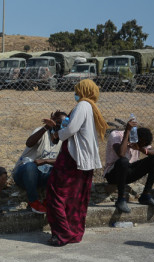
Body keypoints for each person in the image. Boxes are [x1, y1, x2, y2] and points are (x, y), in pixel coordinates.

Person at [44, 79, 108, 246]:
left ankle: (62, 234)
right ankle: (73, 232)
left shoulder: (83, 106)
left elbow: (72, 129)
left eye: (78, 90)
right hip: (83, 159)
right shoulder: (91, 107)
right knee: (75, 198)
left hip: (73, 158)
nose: (76, 93)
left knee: (56, 194)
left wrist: (57, 133)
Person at [12, 110, 68, 214]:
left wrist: (45, 161)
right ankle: (33, 202)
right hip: (24, 174)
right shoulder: (41, 132)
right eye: (58, 122)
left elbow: (63, 161)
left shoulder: (63, 139)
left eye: (64, 124)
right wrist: (46, 127)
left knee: (61, 170)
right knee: (30, 167)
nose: (60, 126)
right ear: (53, 120)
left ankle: (49, 202)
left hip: (43, 176)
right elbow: (29, 143)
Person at [104, 122, 154, 213]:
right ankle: (121, 199)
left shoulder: (140, 142)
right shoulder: (115, 135)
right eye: (139, 142)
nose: (139, 143)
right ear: (135, 136)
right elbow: (121, 154)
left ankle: (145, 195)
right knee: (123, 161)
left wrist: (140, 148)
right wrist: (127, 131)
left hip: (129, 173)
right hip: (113, 174)